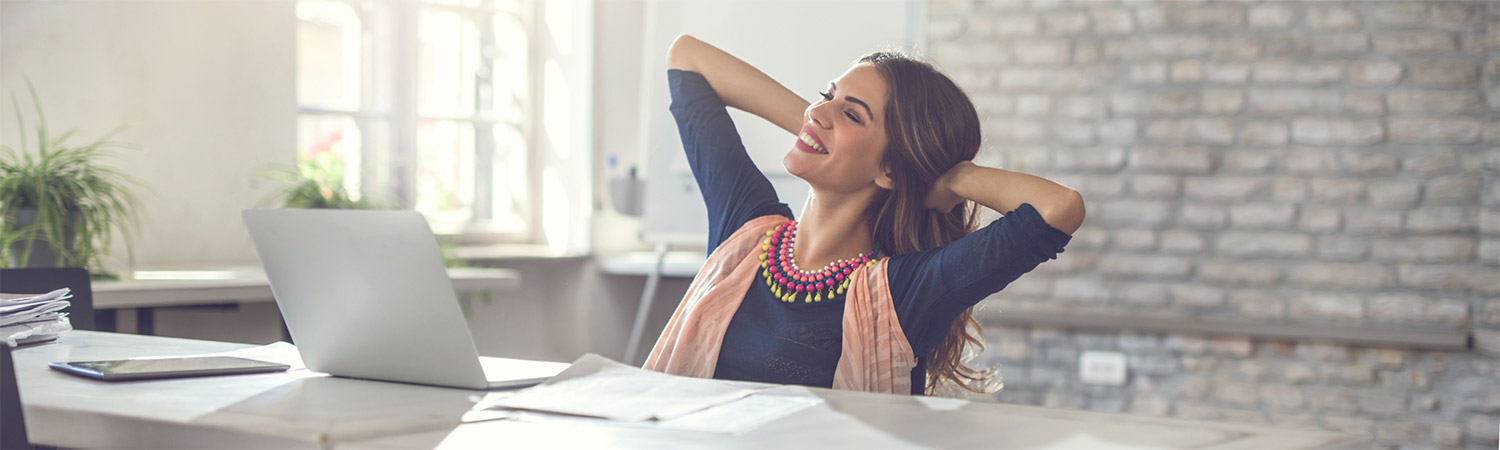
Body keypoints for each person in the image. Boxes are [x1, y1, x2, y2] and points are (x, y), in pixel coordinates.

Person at [644, 35, 1085, 396]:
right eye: (827, 96)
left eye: (852, 115)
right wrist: (817, 127)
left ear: (890, 168)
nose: (817, 110)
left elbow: (1058, 208)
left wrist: (952, 178)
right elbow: (688, 58)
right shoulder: (746, 232)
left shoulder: (907, 292)